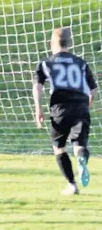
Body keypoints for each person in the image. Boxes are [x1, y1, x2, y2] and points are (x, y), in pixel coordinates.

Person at [33, 27, 97, 195]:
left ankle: (72, 185)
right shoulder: (81, 63)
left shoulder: (46, 63)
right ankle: (81, 157)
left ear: (51, 43)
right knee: (79, 145)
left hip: (59, 110)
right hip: (81, 107)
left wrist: (38, 109)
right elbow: (94, 89)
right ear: (70, 43)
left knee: (59, 148)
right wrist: (88, 104)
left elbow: (38, 88)